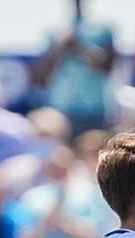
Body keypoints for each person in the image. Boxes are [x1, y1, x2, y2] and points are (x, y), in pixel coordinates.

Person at [32, 0, 115, 136]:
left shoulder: (103, 29)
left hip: (94, 107)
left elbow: (107, 67)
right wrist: (62, 48)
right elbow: (42, 74)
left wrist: (79, 47)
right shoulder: (54, 31)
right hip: (61, 107)